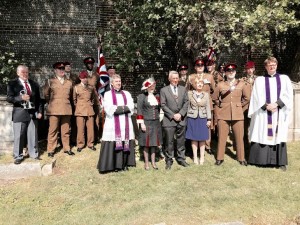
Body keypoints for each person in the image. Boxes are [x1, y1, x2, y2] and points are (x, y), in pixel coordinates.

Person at [248, 56, 293, 171]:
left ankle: (280, 162)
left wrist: (276, 104)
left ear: (277, 66)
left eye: (274, 64)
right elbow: (256, 96)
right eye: (270, 65)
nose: (272, 66)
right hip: (263, 113)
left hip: (279, 112)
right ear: (266, 67)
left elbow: (288, 95)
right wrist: (266, 106)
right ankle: (260, 161)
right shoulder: (259, 80)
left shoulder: (284, 79)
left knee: (279, 135)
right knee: (261, 133)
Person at [213, 63, 250, 166]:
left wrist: (238, 106)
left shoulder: (242, 84)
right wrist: (221, 105)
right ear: (225, 73)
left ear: (235, 72)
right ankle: (220, 158)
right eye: (228, 71)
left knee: (239, 137)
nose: (231, 72)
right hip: (223, 113)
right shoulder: (220, 85)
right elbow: (215, 97)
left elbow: (247, 98)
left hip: (238, 114)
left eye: (232, 70)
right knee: (222, 137)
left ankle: (241, 158)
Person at [97, 74, 136, 173]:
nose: (118, 83)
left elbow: (131, 106)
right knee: (114, 141)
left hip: (126, 122)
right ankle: (112, 165)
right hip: (113, 123)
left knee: (125, 140)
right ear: (112, 83)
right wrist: (123, 108)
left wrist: (120, 108)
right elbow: (109, 108)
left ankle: (124, 164)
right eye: (116, 81)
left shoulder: (126, 93)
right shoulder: (108, 94)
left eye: (119, 81)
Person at [7, 65, 43, 164]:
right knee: (19, 135)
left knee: (33, 135)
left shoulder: (34, 84)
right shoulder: (12, 84)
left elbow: (39, 100)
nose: (25, 74)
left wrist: (40, 111)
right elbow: (9, 98)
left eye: (26, 72)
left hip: (32, 112)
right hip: (19, 112)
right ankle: (18, 156)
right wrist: (21, 98)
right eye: (23, 72)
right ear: (18, 73)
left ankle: (33, 154)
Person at [43, 62, 74, 157]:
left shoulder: (69, 82)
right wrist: (52, 103)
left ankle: (66, 148)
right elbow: (46, 95)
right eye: (59, 69)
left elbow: (72, 96)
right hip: (54, 110)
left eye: (63, 69)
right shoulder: (50, 81)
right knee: (53, 130)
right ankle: (51, 150)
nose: (62, 70)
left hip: (66, 109)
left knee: (66, 130)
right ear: (55, 70)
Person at [160, 70, 189, 169]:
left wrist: (181, 114)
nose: (176, 80)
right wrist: (173, 115)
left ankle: (181, 159)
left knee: (181, 141)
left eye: (177, 78)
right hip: (169, 120)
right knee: (169, 141)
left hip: (181, 119)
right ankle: (169, 160)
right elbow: (163, 105)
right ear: (169, 79)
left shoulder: (183, 89)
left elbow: (186, 102)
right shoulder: (164, 90)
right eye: (174, 78)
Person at [189, 59, 215, 154]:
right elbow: (188, 90)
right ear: (195, 67)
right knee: (195, 125)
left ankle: (207, 146)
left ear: (204, 67)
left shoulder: (209, 76)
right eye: (198, 65)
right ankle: (195, 145)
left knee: (207, 126)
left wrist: (209, 100)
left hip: (207, 105)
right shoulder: (191, 77)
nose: (200, 66)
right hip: (195, 105)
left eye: (202, 65)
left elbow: (214, 90)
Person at [136, 77, 162, 170]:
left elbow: (159, 108)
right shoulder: (141, 97)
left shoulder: (157, 96)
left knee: (154, 143)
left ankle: (153, 162)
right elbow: (139, 111)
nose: (152, 88)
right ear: (146, 87)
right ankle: (146, 163)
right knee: (146, 144)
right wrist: (141, 124)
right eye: (150, 86)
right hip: (146, 123)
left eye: (154, 86)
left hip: (155, 123)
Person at [186, 76, 211, 165]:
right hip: (192, 118)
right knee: (194, 138)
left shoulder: (206, 94)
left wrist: (209, 119)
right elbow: (187, 105)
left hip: (203, 118)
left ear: (203, 85)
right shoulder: (189, 94)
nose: (199, 84)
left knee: (202, 138)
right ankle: (195, 157)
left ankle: (202, 157)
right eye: (197, 83)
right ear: (194, 84)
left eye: (201, 83)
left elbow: (208, 107)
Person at [73, 71, 97, 152]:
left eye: (86, 78)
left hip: (89, 110)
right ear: (80, 78)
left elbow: (93, 98)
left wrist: (89, 104)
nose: (85, 79)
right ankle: (80, 144)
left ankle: (90, 144)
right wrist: (79, 106)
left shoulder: (91, 87)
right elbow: (74, 100)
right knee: (80, 129)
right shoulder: (76, 87)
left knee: (90, 129)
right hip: (80, 111)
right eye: (83, 78)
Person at [83, 56, 102, 144]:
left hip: (95, 100)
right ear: (86, 65)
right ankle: (86, 138)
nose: (90, 65)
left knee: (96, 119)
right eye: (88, 64)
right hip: (86, 101)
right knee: (86, 120)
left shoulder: (96, 75)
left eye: (91, 64)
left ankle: (96, 137)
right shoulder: (82, 74)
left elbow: (98, 87)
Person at [241, 61, 257, 158]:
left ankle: (254, 148)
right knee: (244, 128)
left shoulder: (259, 79)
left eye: (251, 68)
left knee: (255, 128)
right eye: (247, 69)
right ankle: (245, 147)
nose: (249, 70)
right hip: (245, 107)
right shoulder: (242, 80)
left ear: (254, 69)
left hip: (255, 107)